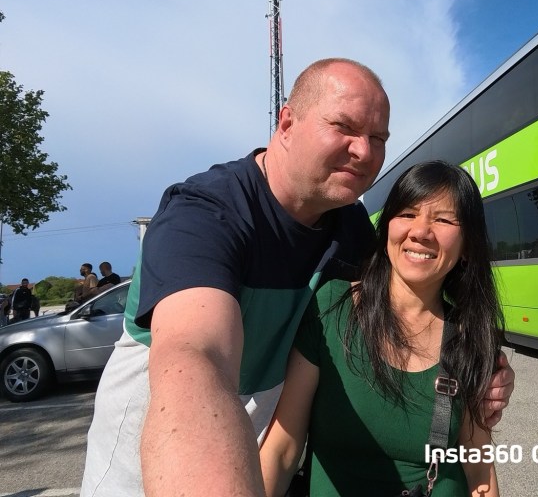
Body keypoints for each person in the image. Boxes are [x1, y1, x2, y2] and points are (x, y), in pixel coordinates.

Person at [80, 58, 515, 497]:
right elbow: (197, 357)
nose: (365, 152)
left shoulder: (350, 228)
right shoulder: (205, 215)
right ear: (287, 123)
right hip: (154, 472)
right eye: (344, 127)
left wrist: (484, 369)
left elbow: (415, 297)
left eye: (378, 138)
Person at [261, 161, 503, 496]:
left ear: (468, 246)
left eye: (443, 219)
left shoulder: (470, 336)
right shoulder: (331, 307)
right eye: (407, 214)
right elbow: (281, 450)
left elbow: (478, 466)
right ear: (387, 226)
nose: (420, 231)